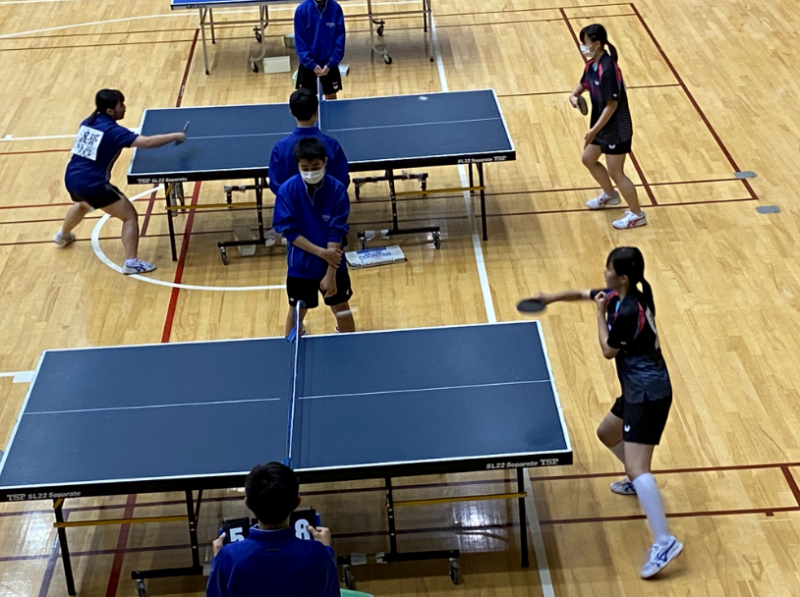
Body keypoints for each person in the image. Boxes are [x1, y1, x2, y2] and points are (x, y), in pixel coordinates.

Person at [532, 247, 682, 578]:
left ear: (623, 277)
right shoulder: (626, 292)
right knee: (607, 433)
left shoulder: (628, 311)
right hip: (637, 389)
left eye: (608, 268)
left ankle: (665, 541)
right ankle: (638, 481)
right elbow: (584, 293)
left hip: (648, 394)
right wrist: (550, 298)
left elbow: (607, 350)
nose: (604, 272)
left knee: (638, 467)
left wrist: (599, 314)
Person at [54, 89, 186, 274]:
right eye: (120, 105)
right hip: (93, 184)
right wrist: (175, 136)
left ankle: (63, 235)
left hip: (72, 178)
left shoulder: (88, 122)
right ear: (109, 110)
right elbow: (146, 143)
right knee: (129, 216)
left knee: (83, 204)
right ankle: (131, 263)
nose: (124, 108)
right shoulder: (113, 131)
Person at [206, 462, 339, 597]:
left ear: (248, 503)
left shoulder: (228, 557)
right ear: (297, 502)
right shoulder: (317, 554)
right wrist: (326, 551)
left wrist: (219, 561)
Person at [272, 137, 355, 336]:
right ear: (297, 165)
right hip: (301, 266)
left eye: (315, 166)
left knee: (342, 309)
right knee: (296, 313)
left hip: (333, 265)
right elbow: (290, 232)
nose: (310, 172)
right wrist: (322, 253)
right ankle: (293, 347)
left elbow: (336, 231)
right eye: (305, 168)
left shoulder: (337, 190)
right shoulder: (287, 192)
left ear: (325, 161)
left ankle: (349, 345)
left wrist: (331, 274)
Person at [568, 24, 646, 230]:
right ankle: (611, 195)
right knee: (588, 159)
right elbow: (584, 83)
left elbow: (612, 105)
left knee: (616, 172)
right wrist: (573, 95)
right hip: (601, 125)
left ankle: (637, 214)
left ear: (596, 44)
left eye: (584, 43)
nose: (582, 46)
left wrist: (592, 131)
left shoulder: (608, 69)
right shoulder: (592, 64)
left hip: (616, 129)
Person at [268, 88, 349, 196]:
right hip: (329, 205)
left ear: (291, 112)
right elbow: (343, 180)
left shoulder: (280, 148)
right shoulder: (332, 145)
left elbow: (275, 184)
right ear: (316, 111)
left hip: (292, 205)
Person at [294, 0, 346, 100]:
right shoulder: (301, 10)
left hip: (330, 65)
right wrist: (311, 64)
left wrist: (331, 63)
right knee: (307, 101)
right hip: (308, 66)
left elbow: (340, 40)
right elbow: (300, 42)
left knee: (331, 99)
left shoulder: (335, 9)